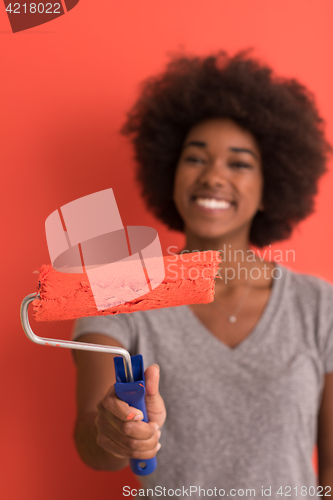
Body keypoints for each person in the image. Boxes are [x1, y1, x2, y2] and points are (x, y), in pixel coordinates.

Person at [72, 50, 333, 498]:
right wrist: (116, 432)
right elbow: (93, 440)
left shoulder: (320, 305)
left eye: (239, 163)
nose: (213, 176)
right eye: (195, 159)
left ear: (270, 186)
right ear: (170, 174)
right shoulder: (119, 292)